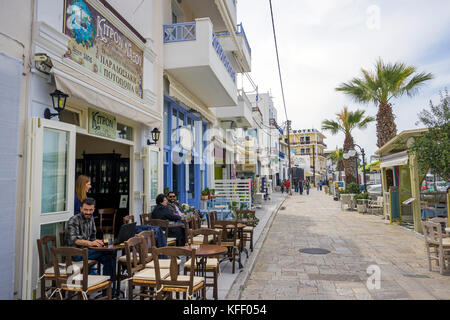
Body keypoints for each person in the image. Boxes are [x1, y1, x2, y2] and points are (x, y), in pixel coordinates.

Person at [66, 198, 115, 279]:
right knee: (109, 252)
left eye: (90, 210)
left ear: (94, 209)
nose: (88, 212)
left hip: (87, 251)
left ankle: (108, 288)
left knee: (109, 256)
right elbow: (74, 240)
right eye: (85, 210)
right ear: (81, 208)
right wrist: (91, 243)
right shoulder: (74, 220)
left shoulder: (91, 219)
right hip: (76, 254)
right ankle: (108, 288)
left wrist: (97, 242)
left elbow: (92, 238)